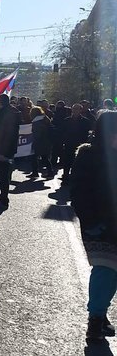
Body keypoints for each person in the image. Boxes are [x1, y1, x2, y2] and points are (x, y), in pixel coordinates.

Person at [70, 111, 117, 342]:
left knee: (113, 272)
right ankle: (95, 320)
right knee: (105, 269)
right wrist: (92, 222)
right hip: (98, 224)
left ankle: (101, 312)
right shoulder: (88, 154)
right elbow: (78, 192)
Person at [62, 104, 93, 185]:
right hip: (68, 144)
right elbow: (62, 132)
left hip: (80, 145)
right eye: (74, 109)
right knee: (67, 162)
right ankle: (65, 178)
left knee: (77, 163)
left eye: (77, 109)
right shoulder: (66, 120)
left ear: (80, 110)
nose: (75, 110)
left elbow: (88, 132)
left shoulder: (85, 121)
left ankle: (75, 179)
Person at [29, 106, 53, 178]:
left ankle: (35, 172)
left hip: (39, 142)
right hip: (46, 141)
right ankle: (50, 172)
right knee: (45, 157)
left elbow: (37, 133)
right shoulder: (45, 118)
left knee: (34, 157)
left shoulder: (36, 122)